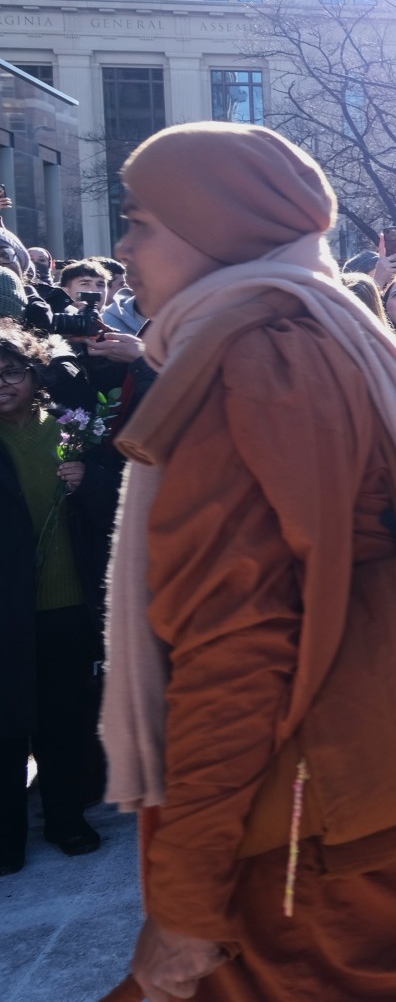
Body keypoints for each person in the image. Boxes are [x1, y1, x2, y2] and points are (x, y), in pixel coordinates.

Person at [102, 122, 396, 1000]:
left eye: (141, 221)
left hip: (329, 851)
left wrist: (184, 900)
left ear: (216, 227)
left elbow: (236, 656)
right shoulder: (330, 333)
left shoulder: (254, 362)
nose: (122, 246)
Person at [1, 322, 113, 873]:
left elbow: (115, 503)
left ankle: (67, 819)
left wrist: (87, 479)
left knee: (65, 720)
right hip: (7, 610)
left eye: (11, 371)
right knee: (5, 723)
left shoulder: (70, 430)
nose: (2, 383)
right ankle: (7, 837)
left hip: (66, 603)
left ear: (34, 375)